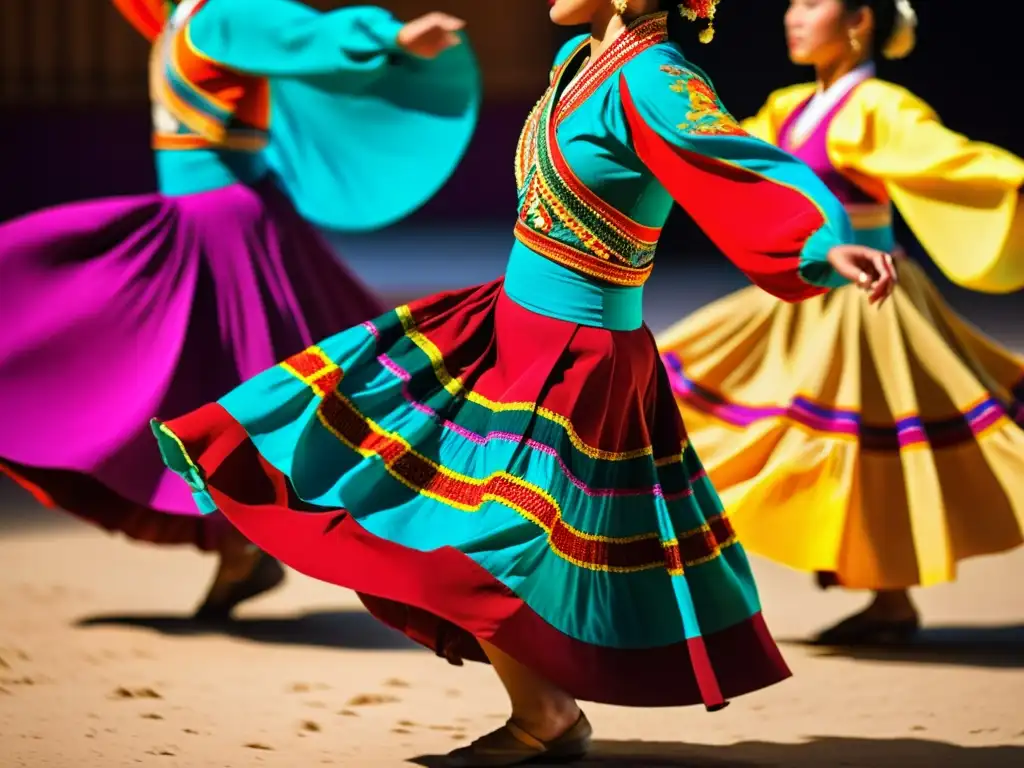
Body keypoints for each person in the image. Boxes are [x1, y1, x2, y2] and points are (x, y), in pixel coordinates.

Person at [151, 1, 895, 764]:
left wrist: (822, 241)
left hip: (577, 356)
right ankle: (543, 711)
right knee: (393, 479)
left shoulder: (656, 77)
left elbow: (732, 157)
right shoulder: (578, 61)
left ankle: (544, 715)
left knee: (485, 533)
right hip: (507, 327)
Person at [0, 0, 479, 620]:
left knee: (248, 388)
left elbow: (297, 34)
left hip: (224, 228)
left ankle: (379, 544)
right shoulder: (181, 18)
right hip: (209, 224)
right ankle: (241, 548)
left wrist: (394, 36)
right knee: (226, 388)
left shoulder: (216, 16)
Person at [657, 0, 1024, 646]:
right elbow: (725, 147)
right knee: (725, 408)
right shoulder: (789, 105)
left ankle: (887, 599)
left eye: (812, 4)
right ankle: (878, 596)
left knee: (862, 445)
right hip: (800, 291)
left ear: (859, 22)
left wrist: (1014, 178)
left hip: (867, 297)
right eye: (793, 5)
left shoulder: (880, 106)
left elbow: (955, 161)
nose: (792, 16)